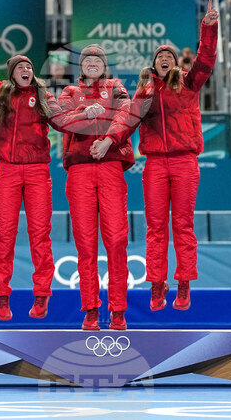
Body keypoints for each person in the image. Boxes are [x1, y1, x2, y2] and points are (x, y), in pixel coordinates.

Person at [0, 17, 72, 320]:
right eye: (21, 68)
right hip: (8, 171)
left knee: (40, 236)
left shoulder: (45, 98)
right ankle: (1, 295)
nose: (26, 70)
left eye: (30, 68)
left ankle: (41, 295)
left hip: (37, 173)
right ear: (11, 74)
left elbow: (64, 122)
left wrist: (90, 116)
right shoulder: (1, 93)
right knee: (4, 237)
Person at [129, 0, 218, 312]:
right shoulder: (145, 91)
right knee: (155, 227)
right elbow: (127, 121)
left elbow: (207, 59)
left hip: (184, 162)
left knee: (182, 224)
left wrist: (208, 28)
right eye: (159, 57)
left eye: (169, 56)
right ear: (154, 66)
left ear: (177, 63)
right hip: (153, 164)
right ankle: (156, 282)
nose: (165, 59)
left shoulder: (189, 83)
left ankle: (183, 282)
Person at [57, 44, 136, 331]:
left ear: (104, 65)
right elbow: (62, 120)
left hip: (111, 167)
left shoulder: (116, 87)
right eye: (87, 59)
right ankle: (91, 309)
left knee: (116, 240)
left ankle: (118, 310)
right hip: (78, 170)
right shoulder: (68, 92)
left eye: (97, 59)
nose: (92, 63)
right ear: (80, 66)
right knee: (86, 245)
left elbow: (126, 115)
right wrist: (84, 111)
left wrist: (108, 141)